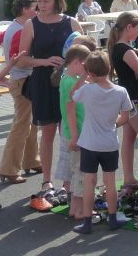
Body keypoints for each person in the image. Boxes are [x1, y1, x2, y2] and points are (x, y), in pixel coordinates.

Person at [17, 0, 82, 192]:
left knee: (69, 132)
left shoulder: (71, 22)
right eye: (39, 1)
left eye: (46, 1)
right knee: (47, 132)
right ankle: (47, 180)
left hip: (68, 82)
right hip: (43, 83)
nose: (41, 5)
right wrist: (44, 61)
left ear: (57, 1)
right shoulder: (31, 24)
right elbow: (21, 60)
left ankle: (68, 182)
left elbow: (86, 53)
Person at [70, 50, 131, 234]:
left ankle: (87, 222)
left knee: (89, 182)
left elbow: (72, 95)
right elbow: (125, 117)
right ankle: (112, 218)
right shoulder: (121, 91)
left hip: (89, 143)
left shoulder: (87, 90)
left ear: (90, 72)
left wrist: (83, 78)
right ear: (109, 68)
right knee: (110, 182)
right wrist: (112, 124)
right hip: (109, 142)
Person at [108, 11, 138, 189]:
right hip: (133, 99)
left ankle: (129, 178)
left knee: (129, 137)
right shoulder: (126, 50)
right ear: (129, 27)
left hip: (127, 98)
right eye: (137, 28)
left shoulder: (119, 48)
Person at [0, 0, 40, 184]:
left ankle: (31, 160)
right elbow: (20, 61)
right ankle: (8, 169)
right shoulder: (19, 30)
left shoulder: (18, 27)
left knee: (30, 123)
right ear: (24, 9)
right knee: (21, 125)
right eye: (34, 7)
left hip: (24, 80)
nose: (38, 10)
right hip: (22, 80)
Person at [60, 44, 90, 220]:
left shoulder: (69, 79)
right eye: (86, 64)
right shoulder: (69, 82)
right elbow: (70, 111)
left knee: (77, 171)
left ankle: (74, 208)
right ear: (77, 62)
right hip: (75, 133)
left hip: (75, 132)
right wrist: (74, 135)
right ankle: (80, 210)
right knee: (81, 172)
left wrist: (85, 77)